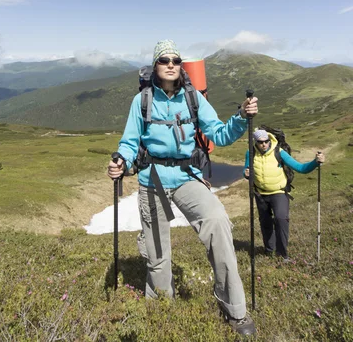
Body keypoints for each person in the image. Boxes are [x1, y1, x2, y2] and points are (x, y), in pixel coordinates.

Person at [108, 40, 258, 337]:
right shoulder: (142, 101)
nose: (172, 64)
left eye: (176, 59)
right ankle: (162, 307)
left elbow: (219, 133)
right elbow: (129, 142)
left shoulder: (193, 98)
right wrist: (121, 163)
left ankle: (236, 310)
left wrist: (242, 117)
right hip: (152, 180)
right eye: (165, 59)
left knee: (217, 223)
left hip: (188, 176)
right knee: (158, 255)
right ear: (155, 65)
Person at [244, 129, 325, 261]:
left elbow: (301, 168)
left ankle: (282, 255)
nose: (264, 144)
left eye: (266, 141)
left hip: (279, 192)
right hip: (260, 194)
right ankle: (269, 251)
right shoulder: (251, 153)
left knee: (281, 219)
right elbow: (247, 169)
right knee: (265, 223)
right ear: (256, 142)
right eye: (260, 142)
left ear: (269, 140)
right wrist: (246, 174)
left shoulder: (279, 152)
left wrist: (316, 162)